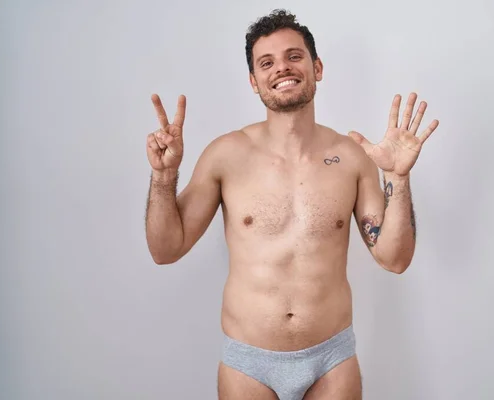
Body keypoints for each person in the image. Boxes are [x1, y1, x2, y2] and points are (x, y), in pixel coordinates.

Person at [144, 9, 439, 400]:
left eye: (294, 56)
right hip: (248, 363)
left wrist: (398, 180)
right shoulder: (225, 155)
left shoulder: (351, 157)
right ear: (253, 81)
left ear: (317, 67)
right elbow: (165, 250)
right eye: (266, 62)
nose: (281, 68)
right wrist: (164, 177)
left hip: (330, 359)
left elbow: (395, 258)